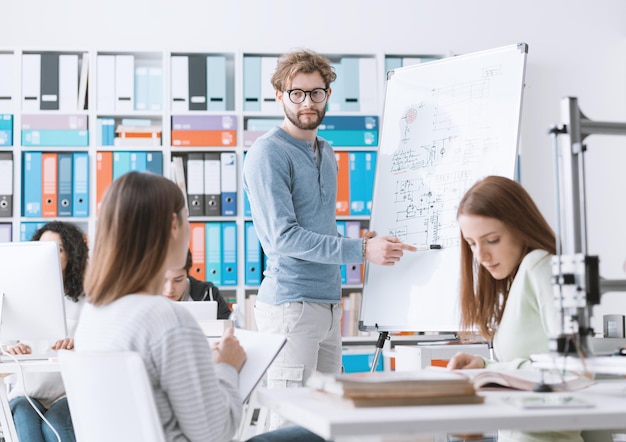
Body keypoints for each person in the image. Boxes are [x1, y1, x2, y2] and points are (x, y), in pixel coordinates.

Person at [242, 48, 416, 428]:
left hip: (327, 304)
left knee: (325, 424)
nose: (308, 102)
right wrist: (361, 250)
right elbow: (283, 238)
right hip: (291, 306)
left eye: (316, 92)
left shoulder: (326, 151)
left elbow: (319, 228)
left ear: (328, 95)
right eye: (297, 93)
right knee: (287, 425)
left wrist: (364, 241)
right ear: (279, 96)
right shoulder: (267, 153)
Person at [73, 171, 247, 442]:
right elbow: (216, 434)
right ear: (174, 224)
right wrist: (227, 366)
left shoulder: (93, 314)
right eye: (188, 218)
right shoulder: (167, 320)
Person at [446, 175, 582, 442]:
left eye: (492, 239)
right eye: (472, 244)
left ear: (521, 227)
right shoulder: (518, 278)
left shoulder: (540, 265)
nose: (481, 257)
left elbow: (571, 371)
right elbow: (532, 364)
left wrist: (491, 373)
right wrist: (483, 365)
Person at [8, 221, 89, 442]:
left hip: (67, 393)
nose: (50, 256)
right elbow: (3, 353)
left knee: (55, 425)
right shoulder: (19, 297)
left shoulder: (87, 301)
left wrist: (77, 344)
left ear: (72, 255)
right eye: (43, 249)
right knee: (25, 419)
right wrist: (10, 350)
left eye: (58, 249)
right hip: (27, 391)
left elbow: (98, 346)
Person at [162, 249, 232, 319]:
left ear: (187, 274)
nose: (169, 290)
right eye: (162, 280)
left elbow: (229, 325)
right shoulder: (150, 298)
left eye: (178, 280)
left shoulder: (210, 295)